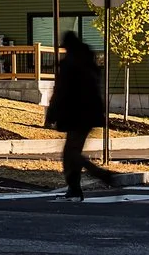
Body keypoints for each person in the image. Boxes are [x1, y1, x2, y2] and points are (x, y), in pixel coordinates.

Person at [45, 31, 106, 201]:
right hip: (89, 115)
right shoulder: (88, 62)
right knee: (73, 152)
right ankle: (76, 188)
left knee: (71, 153)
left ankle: (95, 177)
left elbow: (61, 92)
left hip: (75, 115)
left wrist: (51, 114)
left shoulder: (70, 65)